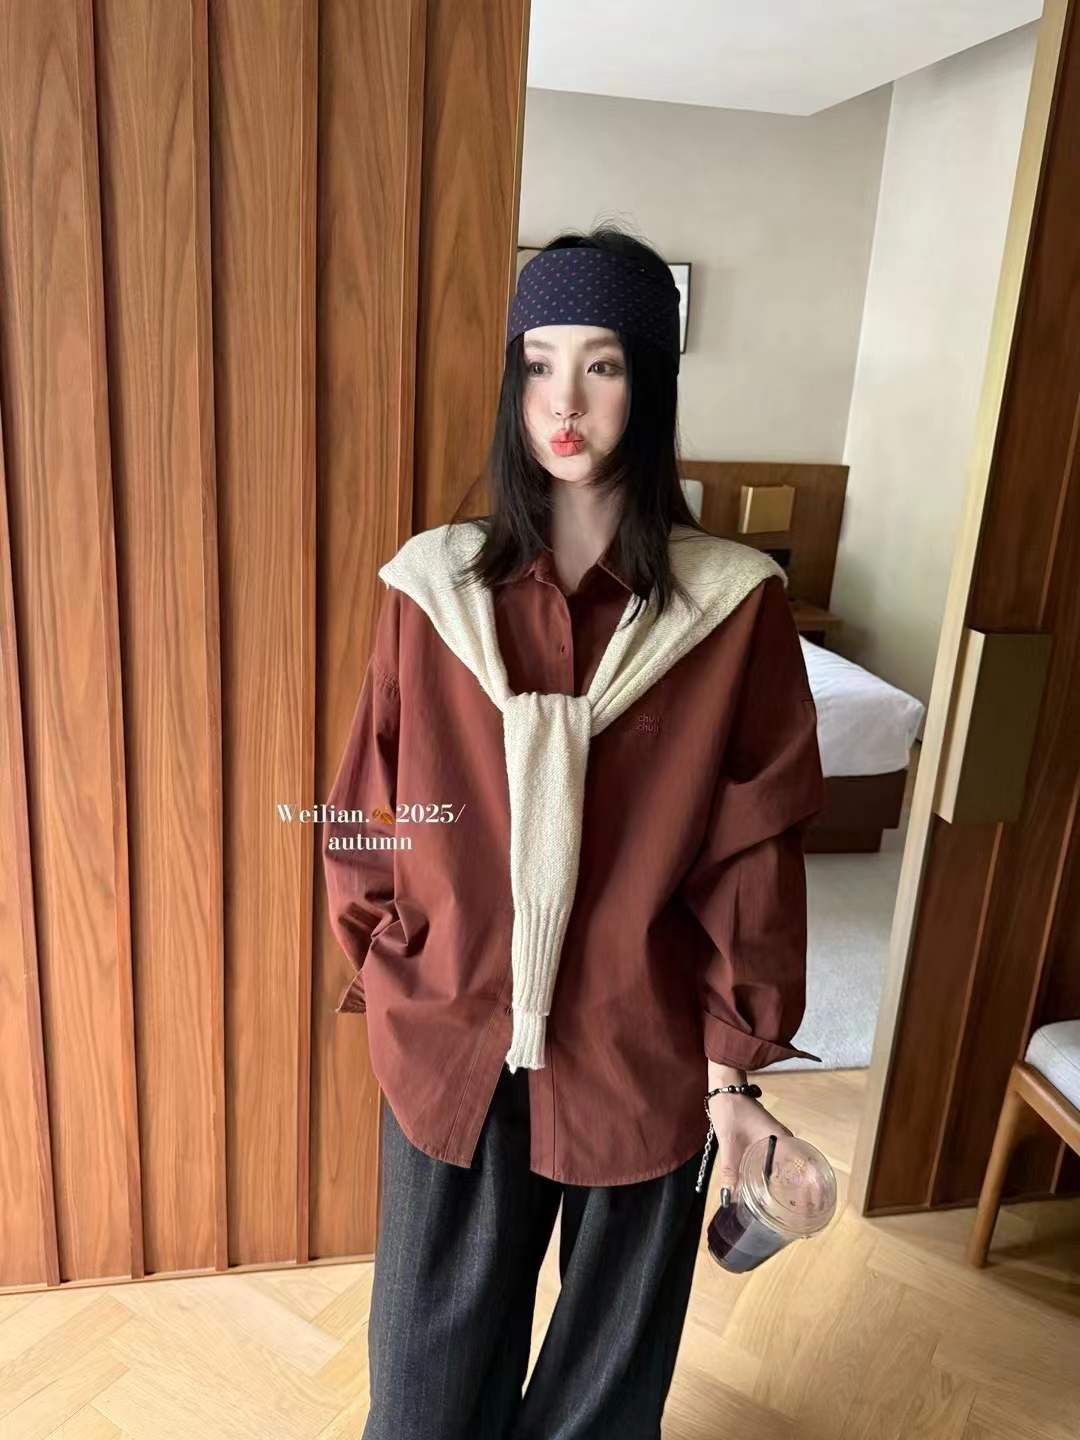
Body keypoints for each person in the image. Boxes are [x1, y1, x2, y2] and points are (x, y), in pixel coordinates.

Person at [322, 225, 826, 1439]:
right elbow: (368, 804)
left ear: (648, 384)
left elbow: (752, 853)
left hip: (641, 1054)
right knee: (422, 1399)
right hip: (454, 1036)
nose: (564, 400)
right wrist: (396, 970)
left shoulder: (730, 610)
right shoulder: (434, 592)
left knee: (605, 1401)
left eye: (601, 365)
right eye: (539, 363)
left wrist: (733, 1068)